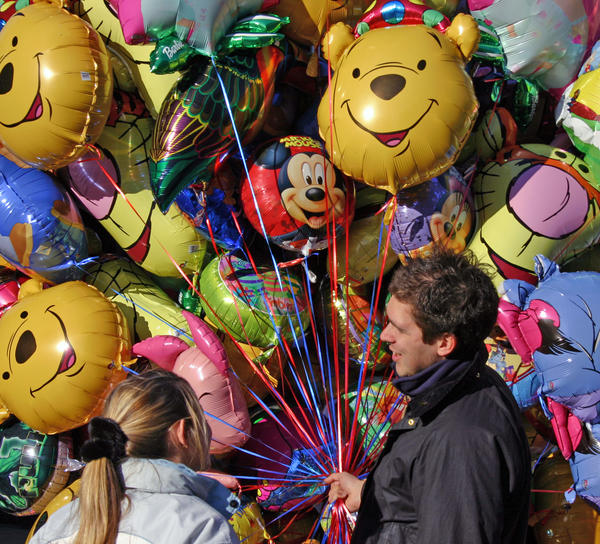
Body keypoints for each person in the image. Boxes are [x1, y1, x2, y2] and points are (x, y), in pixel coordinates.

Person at [325, 248, 531, 543]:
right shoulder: (465, 383)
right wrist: (370, 492)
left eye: (399, 329)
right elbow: (425, 492)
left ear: (444, 343)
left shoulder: (460, 441)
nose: (384, 337)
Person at [30, 369, 240, 544]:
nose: (208, 432)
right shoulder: (201, 528)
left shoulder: (56, 527)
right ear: (181, 432)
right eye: (202, 420)